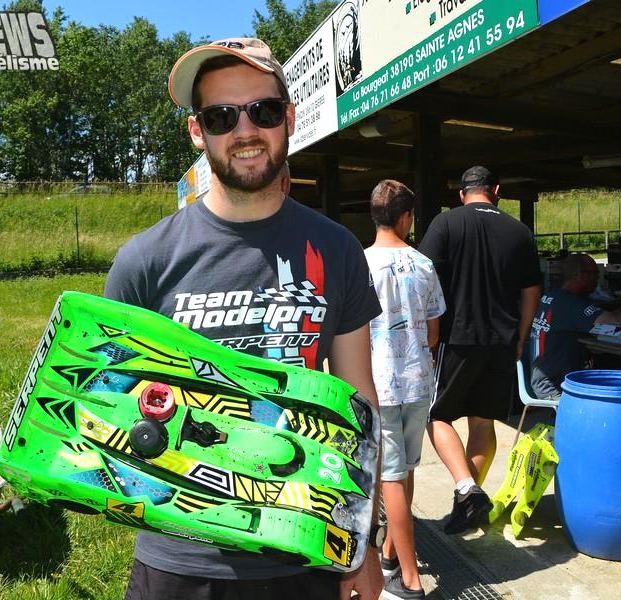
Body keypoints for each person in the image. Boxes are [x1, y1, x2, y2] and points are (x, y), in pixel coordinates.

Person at [104, 37, 384, 600]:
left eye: (264, 110)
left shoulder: (336, 249)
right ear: (197, 131)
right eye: (221, 116)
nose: (245, 130)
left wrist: (363, 538)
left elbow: (361, 402)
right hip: (177, 557)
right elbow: (109, 399)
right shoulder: (145, 260)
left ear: (289, 118)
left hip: (302, 548)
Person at [418, 166, 542, 534]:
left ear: (461, 193)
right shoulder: (519, 231)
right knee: (482, 421)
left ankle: (467, 489)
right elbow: (531, 292)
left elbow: (425, 279)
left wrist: (430, 336)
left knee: (435, 415)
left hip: (457, 338)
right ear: (497, 191)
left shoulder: (446, 225)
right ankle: (467, 502)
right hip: (501, 340)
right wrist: (521, 335)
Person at [364, 180, 445, 600]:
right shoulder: (424, 265)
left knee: (390, 477)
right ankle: (395, 556)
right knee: (406, 470)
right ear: (405, 217)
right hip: (417, 380)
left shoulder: (360, 265)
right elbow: (433, 333)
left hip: (377, 383)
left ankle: (409, 579)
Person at [530, 253, 621, 400]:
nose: (598, 279)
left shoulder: (553, 296)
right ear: (581, 276)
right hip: (556, 387)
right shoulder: (572, 304)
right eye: (596, 274)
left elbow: (604, 316)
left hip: (543, 379)